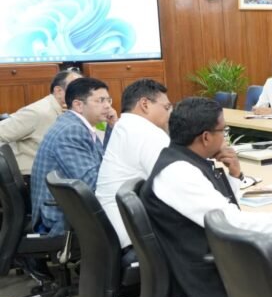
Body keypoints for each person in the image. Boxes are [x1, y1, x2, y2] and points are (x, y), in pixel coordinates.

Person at [142, 97, 272, 297]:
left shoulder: (183, 158)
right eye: (223, 131)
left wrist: (235, 174)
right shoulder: (179, 173)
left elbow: (223, 208)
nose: (225, 137)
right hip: (202, 276)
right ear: (206, 137)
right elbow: (233, 224)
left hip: (207, 256)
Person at [95, 79, 173, 260]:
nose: (170, 113)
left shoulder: (125, 125)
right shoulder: (148, 133)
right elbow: (173, 186)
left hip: (117, 232)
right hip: (135, 239)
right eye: (166, 107)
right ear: (145, 104)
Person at [30, 77, 114, 236]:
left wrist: (111, 127)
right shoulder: (72, 131)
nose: (108, 106)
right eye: (100, 100)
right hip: (59, 219)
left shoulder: (75, 124)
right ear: (78, 105)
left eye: (108, 100)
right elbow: (92, 184)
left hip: (69, 209)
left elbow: (102, 162)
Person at [0, 69, 82, 176]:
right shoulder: (38, 112)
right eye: (78, 89)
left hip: (57, 174)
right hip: (33, 176)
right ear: (58, 91)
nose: (83, 94)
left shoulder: (69, 112)